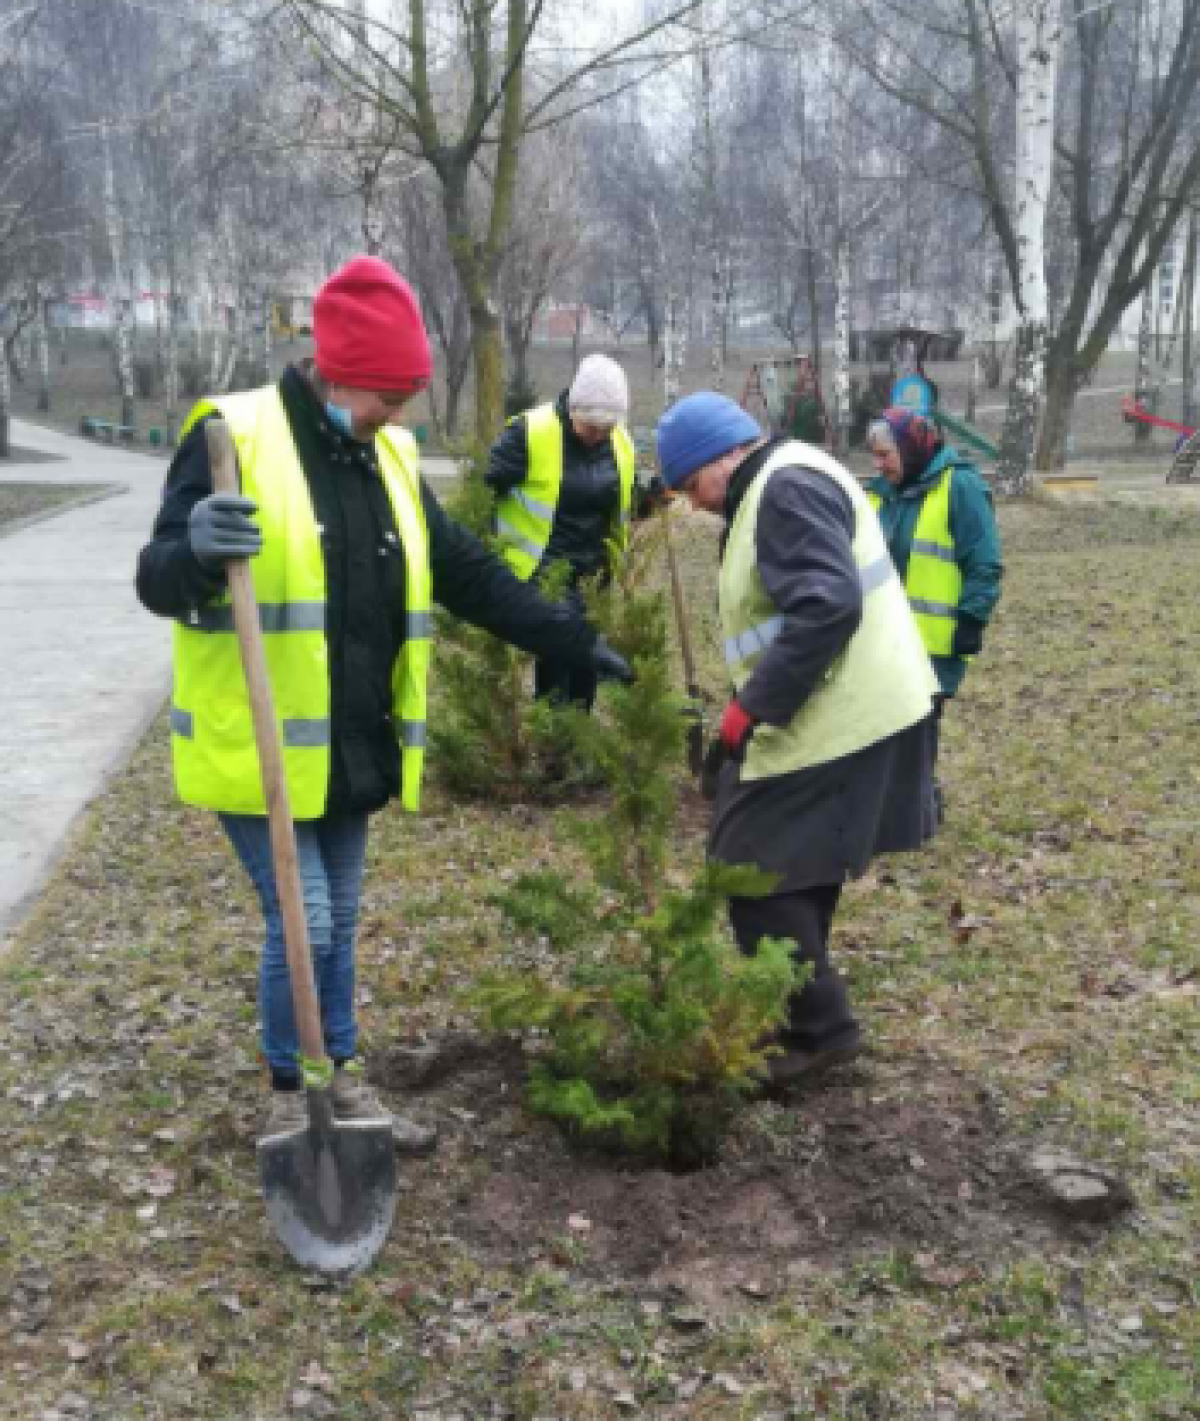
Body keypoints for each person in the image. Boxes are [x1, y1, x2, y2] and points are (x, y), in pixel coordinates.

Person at [136, 256, 630, 1150]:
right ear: (335, 368)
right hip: (261, 748)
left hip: (352, 742)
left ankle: (343, 1076)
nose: (398, 414)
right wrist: (194, 549)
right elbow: (157, 579)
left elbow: (469, 574)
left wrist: (569, 638)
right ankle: (294, 1088)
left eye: (406, 396)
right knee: (306, 919)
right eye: (388, 394)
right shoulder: (232, 436)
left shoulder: (390, 459)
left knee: (339, 921)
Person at [655, 393, 939, 1088]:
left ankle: (820, 1030)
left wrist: (749, 708)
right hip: (860, 706)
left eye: (692, 486)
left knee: (748, 864)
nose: (693, 505)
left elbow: (826, 604)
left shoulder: (782, 491)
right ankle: (797, 1017)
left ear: (724, 456)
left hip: (844, 713)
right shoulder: (787, 475)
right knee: (797, 866)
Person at [864, 408, 1002, 817]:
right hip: (880, 638)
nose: (878, 464)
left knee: (917, 726)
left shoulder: (959, 486)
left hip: (932, 639)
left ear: (910, 447)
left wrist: (973, 618)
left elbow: (984, 561)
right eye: (874, 455)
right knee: (885, 722)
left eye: (885, 454)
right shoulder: (877, 493)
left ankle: (919, 807)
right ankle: (900, 803)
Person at [485, 354, 636, 710]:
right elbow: (483, 490)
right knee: (556, 666)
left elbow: (620, 497)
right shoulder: (529, 433)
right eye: (590, 426)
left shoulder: (621, 442)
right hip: (541, 571)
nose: (597, 436)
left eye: (606, 428)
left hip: (594, 577)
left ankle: (576, 745)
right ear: (572, 407)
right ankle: (553, 749)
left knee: (586, 667)